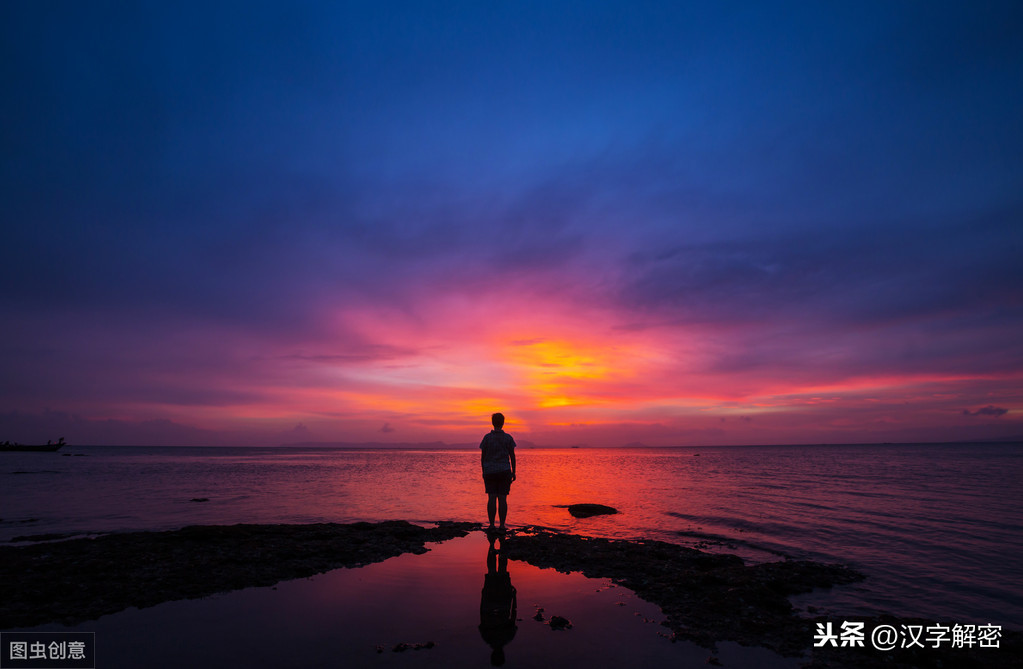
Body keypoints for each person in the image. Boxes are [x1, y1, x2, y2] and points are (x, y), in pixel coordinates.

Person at [480, 412, 516, 532]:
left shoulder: (487, 438)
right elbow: (512, 456)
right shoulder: (508, 438)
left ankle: (491, 525)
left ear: (492, 423)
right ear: (503, 423)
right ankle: (501, 525)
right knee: (502, 499)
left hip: (489, 471)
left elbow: (483, 456)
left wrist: (483, 471)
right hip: (504, 471)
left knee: (491, 497)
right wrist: (514, 471)